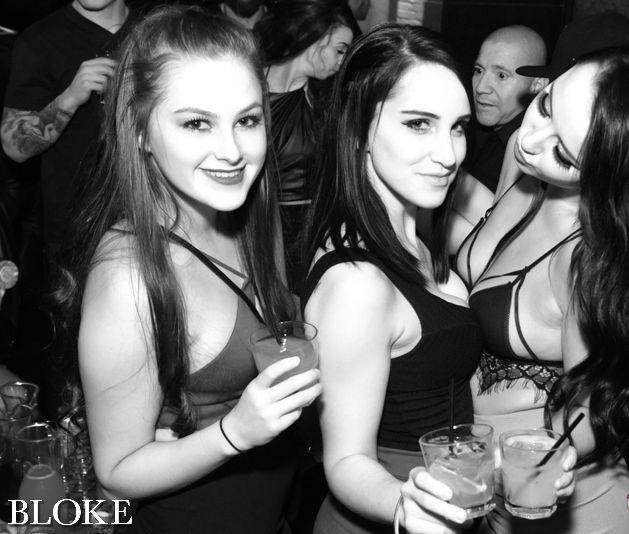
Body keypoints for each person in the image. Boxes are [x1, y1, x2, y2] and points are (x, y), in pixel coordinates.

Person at [51, 7, 321, 533]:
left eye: (247, 120)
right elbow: (116, 476)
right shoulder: (130, 276)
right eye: (197, 123)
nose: (232, 151)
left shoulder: (246, 214)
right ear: (139, 131)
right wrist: (235, 432)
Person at [448, 31, 629, 534]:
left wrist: (557, 452)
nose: (530, 139)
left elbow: (597, 403)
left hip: (556, 495)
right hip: (480, 475)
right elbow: (484, 251)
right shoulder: (526, 165)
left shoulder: (588, 260)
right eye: (545, 105)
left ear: (611, 175)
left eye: (564, 154)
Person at [301, 23, 485, 534]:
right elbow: (345, 460)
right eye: (419, 124)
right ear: (358, 129)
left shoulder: (409, 235)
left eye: (458, 127)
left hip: (453, 491)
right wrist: (407, 507)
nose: (449, 154)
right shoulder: (357, 283)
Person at [1, 0, 135, 258]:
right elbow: (14, 148)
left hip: (154, 218)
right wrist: (71, 97)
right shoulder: (39, 40)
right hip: (74, 232)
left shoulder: (155, 31)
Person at [255, 0, 360, 292]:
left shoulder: (328, 97)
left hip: (318, 230)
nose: (342, 61)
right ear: (314, 36)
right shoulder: (249, 88)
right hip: (262, 226)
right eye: (340, 50)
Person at [463, 25, 547, 194]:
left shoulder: (533, 154)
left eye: (501, 75)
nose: (480, 88)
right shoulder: (463, 124)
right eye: (479, 71)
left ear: (537, 85)